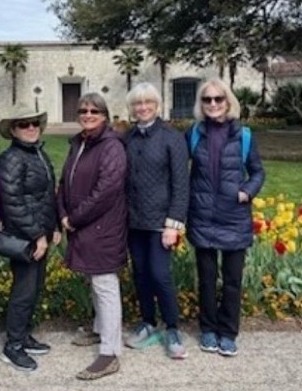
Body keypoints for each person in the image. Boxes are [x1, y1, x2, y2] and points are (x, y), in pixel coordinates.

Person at [186, 78, 265, 357]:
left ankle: (228, 332)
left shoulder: (243, 135)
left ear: (228, 102)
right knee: (207, 278)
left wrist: (247, 191)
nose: (213, 104)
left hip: (234, 217)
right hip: (203, 216)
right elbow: (177, 167)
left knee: (232, 281)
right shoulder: (194, 133)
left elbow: (257, 172)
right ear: (201, 104)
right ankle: (208, 329)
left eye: (218, 99)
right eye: (207, 99)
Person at [57, 92, 127, 380]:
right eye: (83, 110)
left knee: (105, 284)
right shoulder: (80, 143)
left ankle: (110, 354)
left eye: (94, 111)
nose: (87, 114)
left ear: (105, 116)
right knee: (94, 280)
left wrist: (74, 218)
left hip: (103, 226)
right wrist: (62, 211)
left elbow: (106, 191)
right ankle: (100, 330)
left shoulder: (111, 147)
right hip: (83, 225)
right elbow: (64, 182)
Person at [124, 82, 190, 359]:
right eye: (138, 103)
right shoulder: (127, 138)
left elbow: (181, 183)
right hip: (134, 220)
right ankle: (148, 322)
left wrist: (173, 223)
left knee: (160, 275)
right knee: (140, 274)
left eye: (148, 102)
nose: (143, 108)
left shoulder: (171, 138)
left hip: (161, 222)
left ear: (156, 105)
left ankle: (172, 327)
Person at [0, 105, 61, 372]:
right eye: (24, 125)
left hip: (40, 234)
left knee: (34, 288)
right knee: (23, 291)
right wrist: (37, 236)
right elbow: (12, 202)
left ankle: (23, 335)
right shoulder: (11, 159)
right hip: (24, 238)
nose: (31, 128)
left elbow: (47, 196)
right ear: (13, 130)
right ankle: (13, 346)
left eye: (35, 123)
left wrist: (54, 227)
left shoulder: (37, 153)